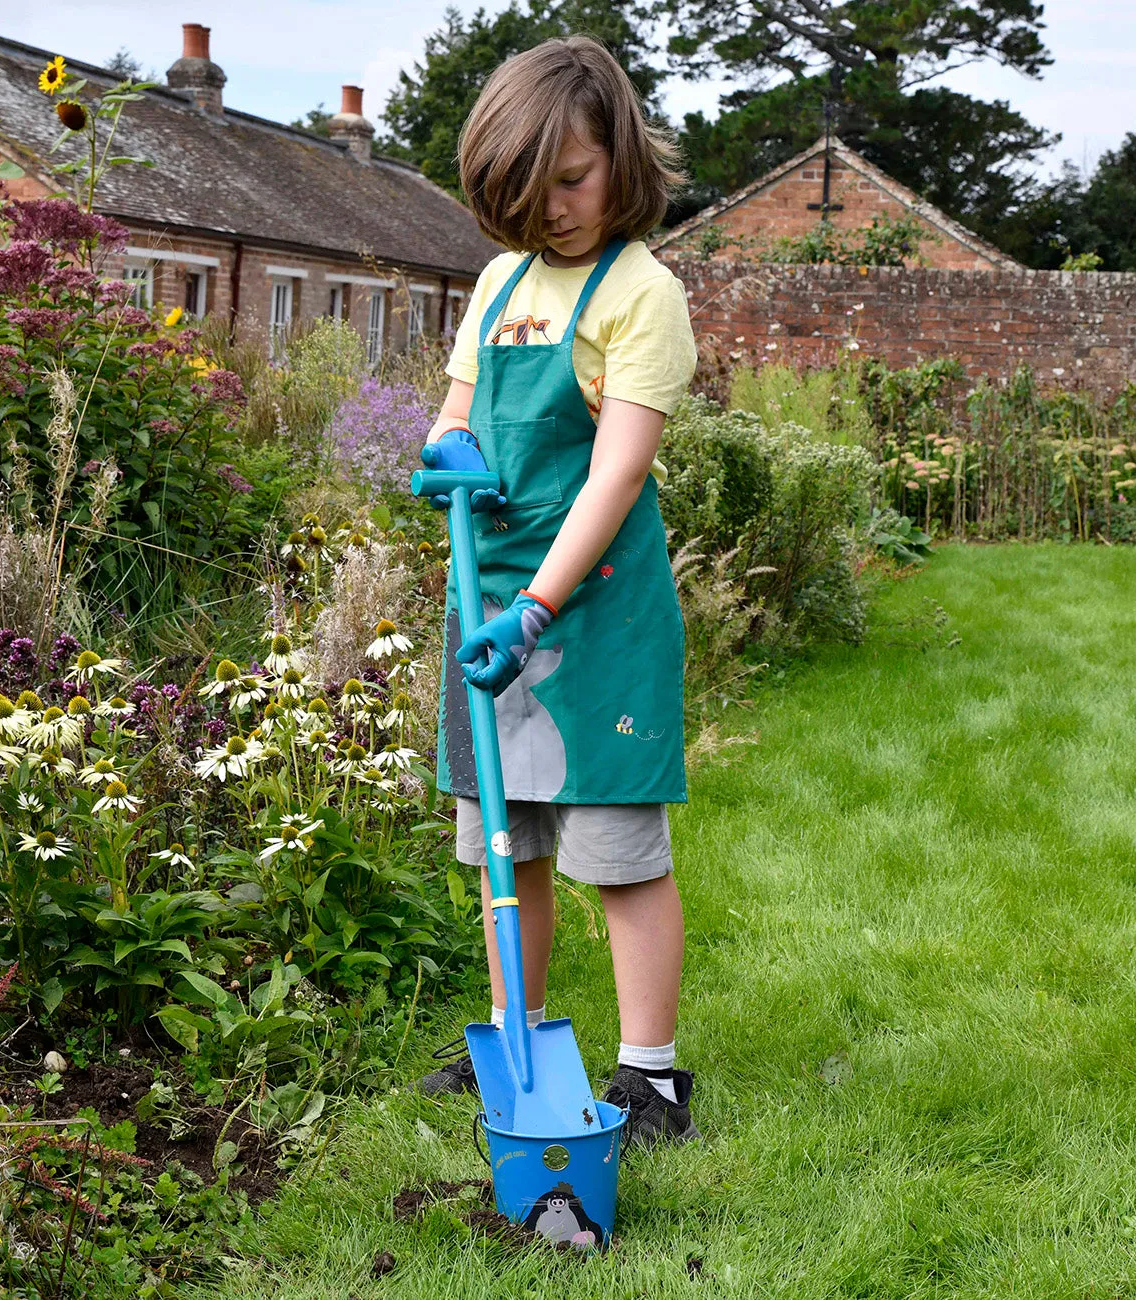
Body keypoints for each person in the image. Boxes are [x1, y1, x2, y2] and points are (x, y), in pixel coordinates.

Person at [416, 34, 700, 1147]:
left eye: (573, 182)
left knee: (616, 853)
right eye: (527, 198)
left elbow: (616, 469)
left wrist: (537, 604)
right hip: (486, 607)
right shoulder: (499, 283)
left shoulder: (642, 293)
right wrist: (443, 449)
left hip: (593, 616)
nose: (557, 214)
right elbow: (455, 412)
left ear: (618, 156)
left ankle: (650, 1076)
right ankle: (516, 1034)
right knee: (507, 843)